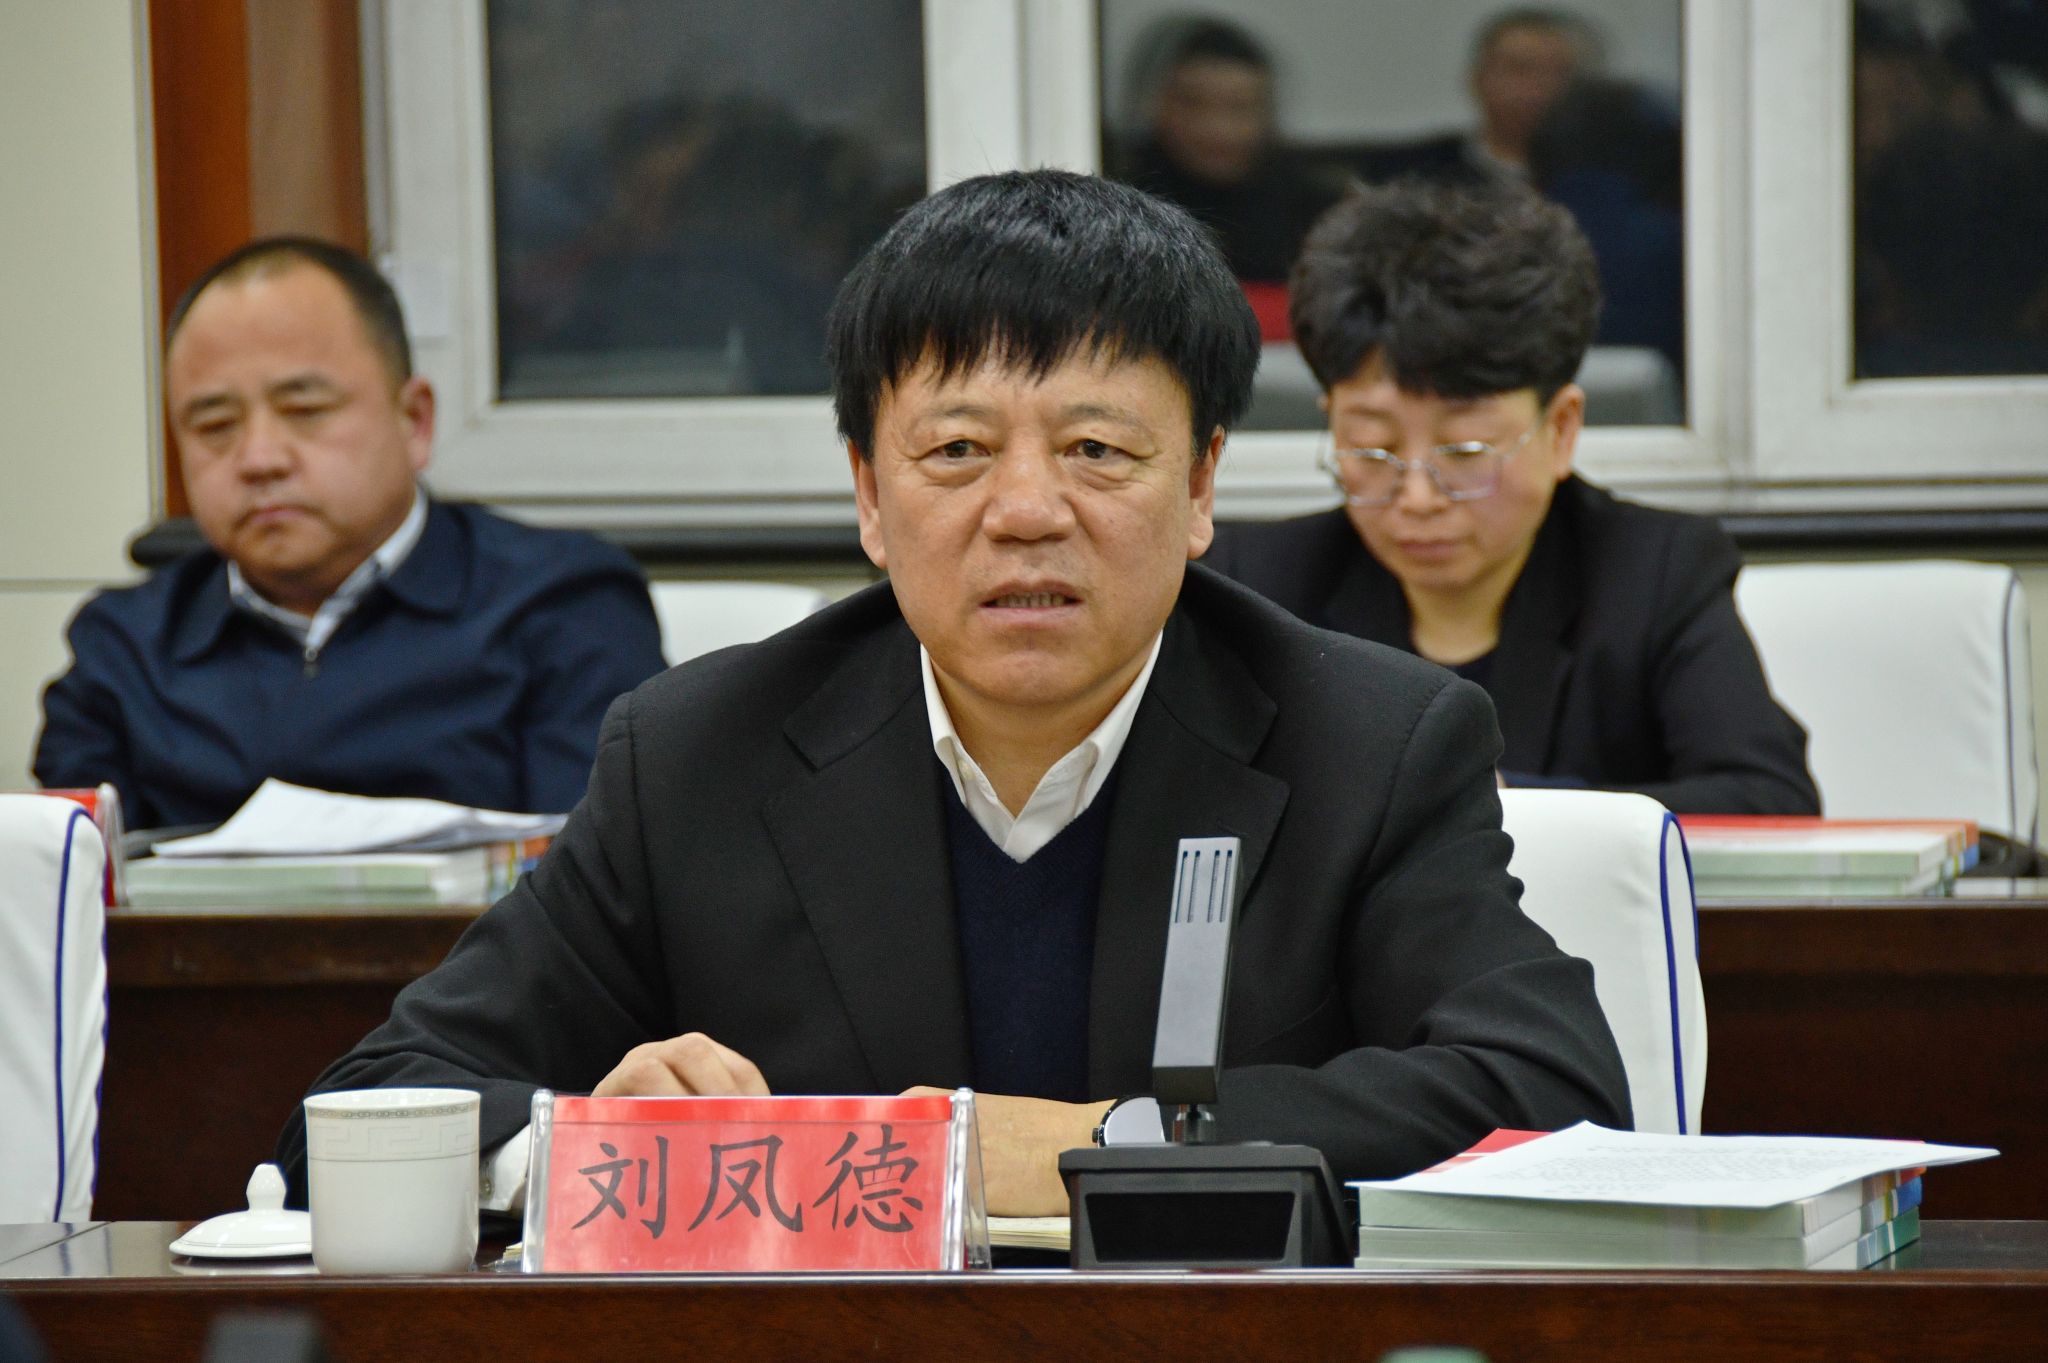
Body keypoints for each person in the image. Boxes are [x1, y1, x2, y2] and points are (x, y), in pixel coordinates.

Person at [276, 171, 1629, 1216]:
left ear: (1201, 485)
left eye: (1096, 449)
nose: (1025, 509)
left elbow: (1553, 1089)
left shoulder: (1368, 742)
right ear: (870, 494)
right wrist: (591, 1140)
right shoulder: (696, 754)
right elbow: (364, 1108)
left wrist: (1110, 1141)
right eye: (958, 451)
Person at [1206, 181, 1818, 815]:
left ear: (1561, 430)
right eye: (1372, 450)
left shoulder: (1655, 574)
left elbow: (1770, 805)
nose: (1417, 497)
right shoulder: (1256, 585)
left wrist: (1500, 809)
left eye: (1465, 452)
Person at [34, 238, 666, 828]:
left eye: (305, 410)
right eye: (215, 425)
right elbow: (76, 886)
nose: (259, 459)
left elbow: (596, 879)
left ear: (414, 421)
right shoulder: (125, 647)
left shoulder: (562, 604)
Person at [1110, 18, 1341, 309]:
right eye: (1194, 103)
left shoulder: (1319, 219)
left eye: (1239, 107)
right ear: (1156, 105)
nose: (1218, 127)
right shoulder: (1120, 211)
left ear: (1268, 113)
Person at [1359, 7, 1599, 187]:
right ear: (1478, 79)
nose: (1541, 86)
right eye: (1520, 69)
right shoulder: (1408, 173)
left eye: (1561, 73)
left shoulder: (1605, 178)